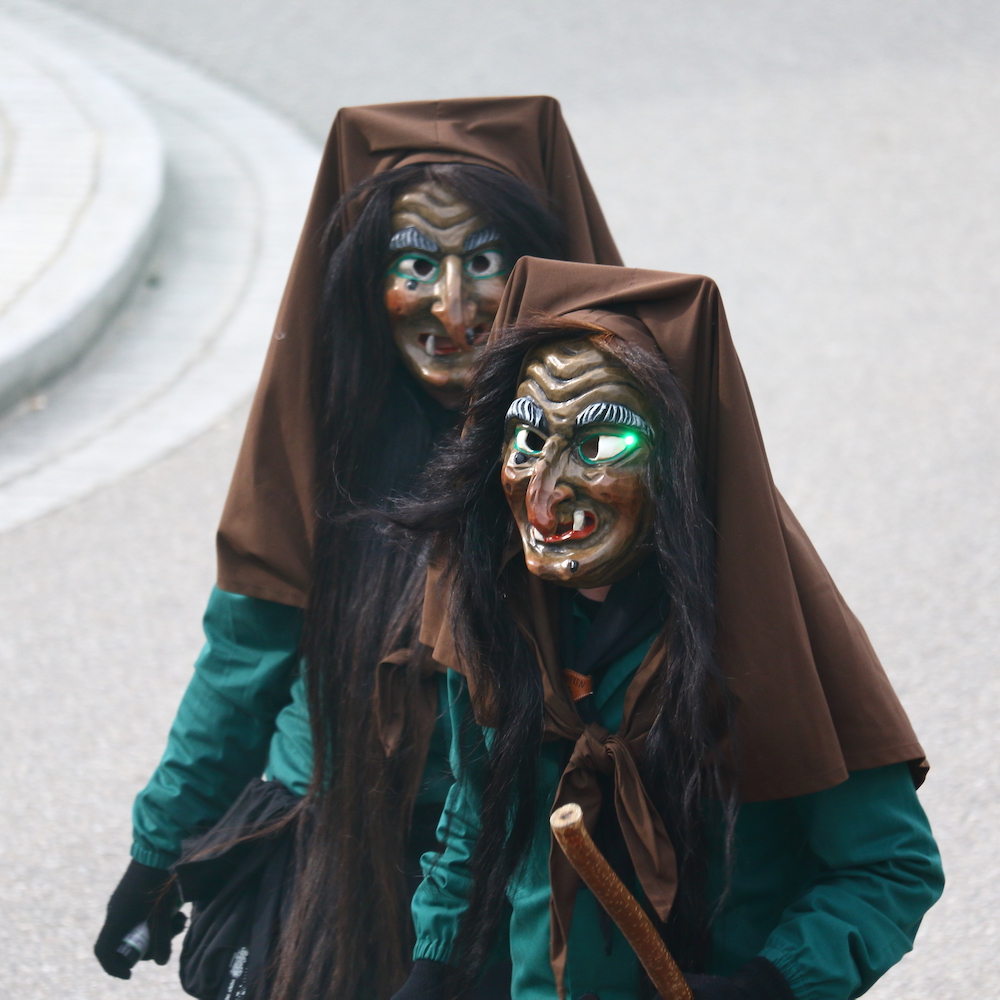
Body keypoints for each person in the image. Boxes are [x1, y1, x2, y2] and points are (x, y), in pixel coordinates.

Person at [93, 98, 623, 1000]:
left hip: (517, 875)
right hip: (327, 863)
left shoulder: (602, 458)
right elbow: (244, 654)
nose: (452, 307)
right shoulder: (327, 437)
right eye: (415, 264)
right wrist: (158, 849)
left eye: (484, 262)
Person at [387, 257, 944, 1000]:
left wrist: (766, 987)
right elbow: (475, 819)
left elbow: (891, 866)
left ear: (680, 465)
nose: (545, 494)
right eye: (527, 441)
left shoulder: (762, 641)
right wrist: (432, 970)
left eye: (601, 444)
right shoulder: (498, 615)